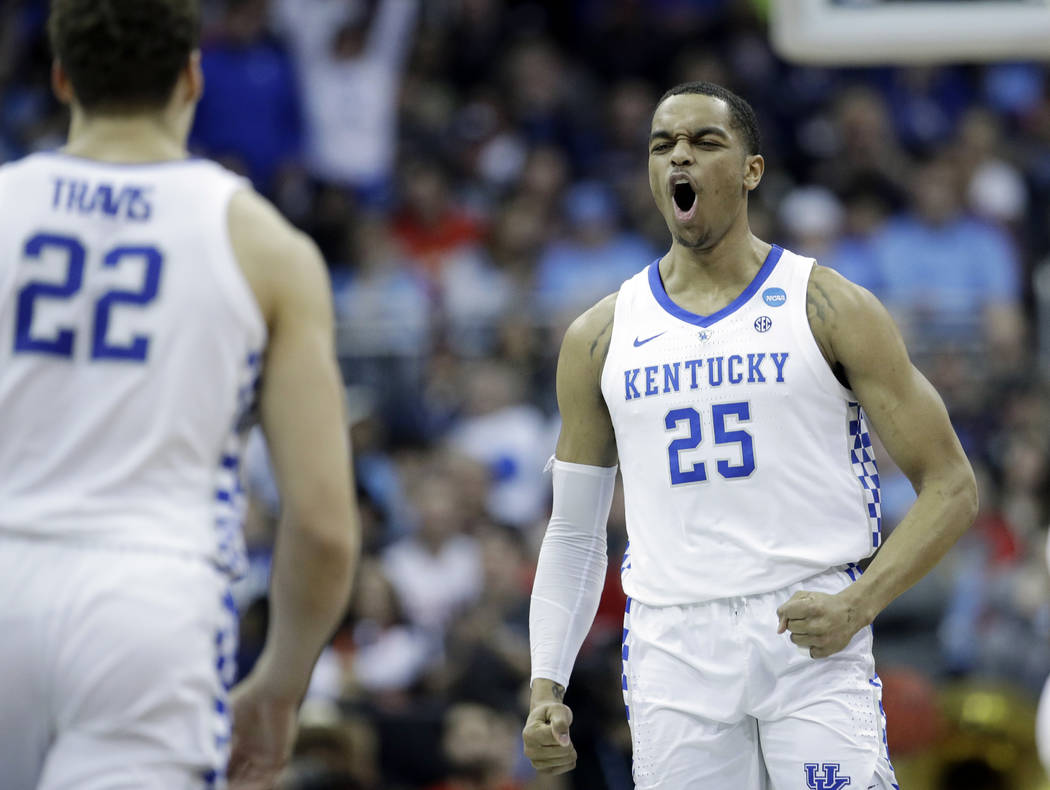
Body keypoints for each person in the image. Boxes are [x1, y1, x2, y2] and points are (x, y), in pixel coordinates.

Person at [522, 81, 978, 789]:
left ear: (751, 170)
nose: (681, 158)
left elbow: (952, 485)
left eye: (705, 142)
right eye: (662, 145)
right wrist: (545, 682)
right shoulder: (599, 335)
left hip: (809, 627)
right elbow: (575, 533)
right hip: (673, 646)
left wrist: (859, 604)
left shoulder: (827, 304)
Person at [0, 1, 358, 788]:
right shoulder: (267, 245)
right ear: (192, 78)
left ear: (62, 79)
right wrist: (280, 682)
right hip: (148, 608)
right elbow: (326, 525)